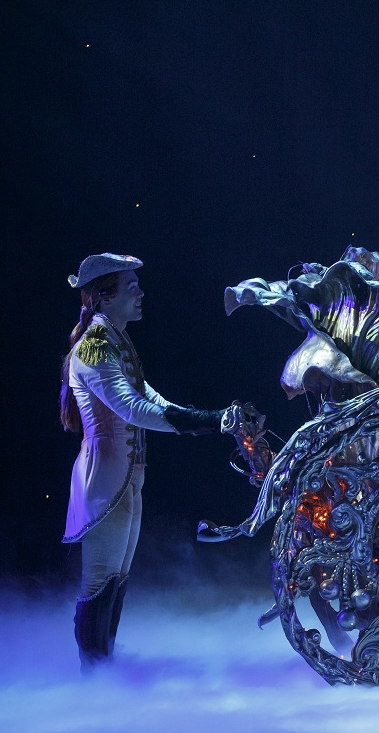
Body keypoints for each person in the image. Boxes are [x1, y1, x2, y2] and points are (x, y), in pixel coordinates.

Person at [60, 253, 226, 668]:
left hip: (125, 476)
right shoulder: (95, 347)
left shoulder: (114, 340)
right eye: (131, 286)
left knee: (116, 582)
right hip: (104, 479)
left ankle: (102, 666)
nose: (141, 292)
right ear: (104, 296)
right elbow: (133, 408)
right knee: (100, 582)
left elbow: (153, 399)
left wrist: (213, 418)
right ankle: (92, 672)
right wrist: (208, 422)